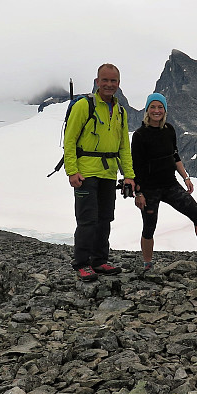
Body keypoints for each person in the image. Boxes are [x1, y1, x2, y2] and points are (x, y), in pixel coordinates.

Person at [131, 93, 197, 271]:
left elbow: (175, 155)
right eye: (153, 107)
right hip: (149, 189)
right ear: (147, 110)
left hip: (170, 185)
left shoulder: (169, 130)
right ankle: (147, 264)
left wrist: (186, 177)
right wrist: (138, 193)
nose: (156, 111)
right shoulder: (140, 135)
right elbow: (136, 166)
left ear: (165, 110)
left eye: (160, 107)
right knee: (149, 226)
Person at [65, 63, 135, 282]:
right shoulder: (85, 106)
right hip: (86, 172)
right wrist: (72, 171)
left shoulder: (120, 111)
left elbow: (124, 146)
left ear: (118, 83)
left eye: (113, 81)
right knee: (87, 220)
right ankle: (82, 263)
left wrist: (129, 175)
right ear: (97, 82)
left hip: (108, 173)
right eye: (104, 80)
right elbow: (70, 140)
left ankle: (99, 260)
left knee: (104, 219)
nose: (109, 84)